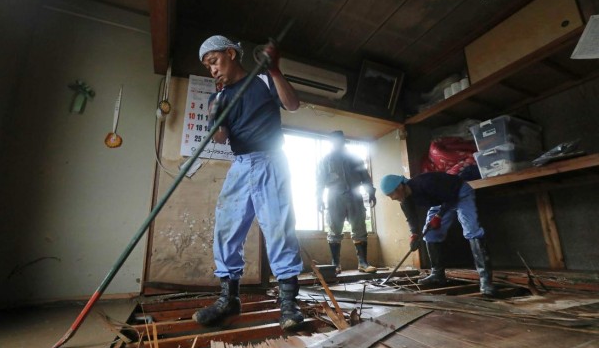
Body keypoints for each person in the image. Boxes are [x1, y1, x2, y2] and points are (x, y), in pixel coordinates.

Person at [192, 35, 304, 330]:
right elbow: (220, 137)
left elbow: (292, 105)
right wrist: (214, 116)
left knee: (278, 228)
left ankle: (289, 304)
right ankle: (229, 299)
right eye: (207, 67)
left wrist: (276, 69)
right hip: (240, 165)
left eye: (214, 61)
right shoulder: (218, 97)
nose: (212, 70)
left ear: (231, 53)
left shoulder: (264, 80)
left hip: (271, 160)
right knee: (226, 229)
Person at [379, 172, 496, 296]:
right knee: (430, 234)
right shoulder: (404, 200)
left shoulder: (424, 183)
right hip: (441, 202)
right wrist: (414, 235)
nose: (392, 198)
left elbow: (451, 196)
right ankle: (437, 274)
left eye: (392, 194)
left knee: (471, 229)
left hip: (459, 193)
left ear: (400, 187)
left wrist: (439, 216)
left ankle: (486, 280)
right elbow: (411, 218)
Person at [316, 130, 377, 274]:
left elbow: (365, 177)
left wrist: (371, 192)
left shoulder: (355, 159)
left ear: (344, 142)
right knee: (334, 229)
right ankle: (335, 264)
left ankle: (363, 263)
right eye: (335, 141)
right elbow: (319, 182)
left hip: (355, 195)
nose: (339, 144)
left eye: (341, 141)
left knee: (359, 227)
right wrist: (318, 198)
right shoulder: (325, 160)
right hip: (334, 197)